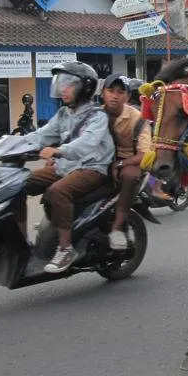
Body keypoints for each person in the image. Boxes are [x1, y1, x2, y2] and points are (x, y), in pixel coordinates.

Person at [22, 62, 115, 274]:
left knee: (58, 191)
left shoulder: (97, 116)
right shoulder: (64, 114)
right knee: (19, 183)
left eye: (69, 84)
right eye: (60, 83)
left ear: (86, 88)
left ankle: (65, 249)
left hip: (92, 168)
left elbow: (87, 143)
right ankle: (21, 243)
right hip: (67, 166)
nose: (63, 88)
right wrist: (8, 143)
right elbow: (40, 135)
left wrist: (58, 151)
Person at [101, 74, 153, 250]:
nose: (115, 96)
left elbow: (145, 153)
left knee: (129, 176)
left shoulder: (137, 118)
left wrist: (121, 164)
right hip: (103, 162)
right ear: (103, 93)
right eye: (111, 91)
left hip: (130, 162)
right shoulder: (96, 116)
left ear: (127, 97)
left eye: (120, 92)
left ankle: (117, 228)